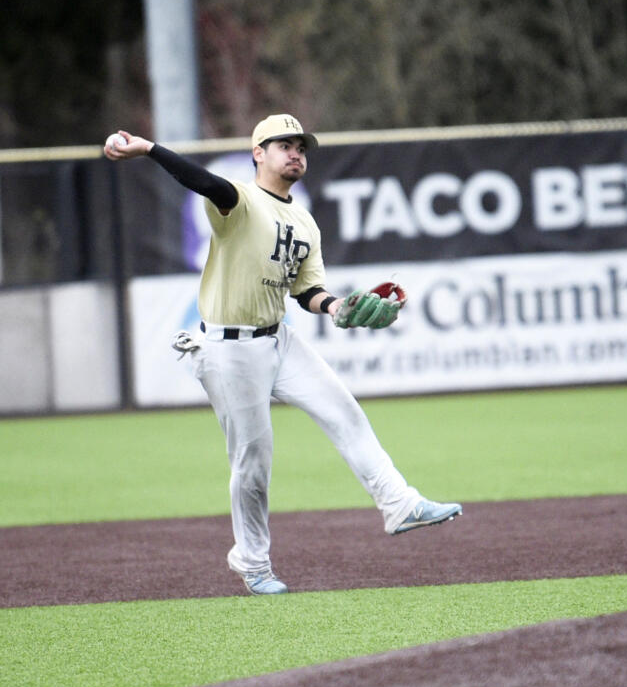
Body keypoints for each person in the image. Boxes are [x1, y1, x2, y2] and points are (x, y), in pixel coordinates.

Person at [104, 114, 462, 595]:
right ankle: (251, 562)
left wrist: (339, 308)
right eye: (284, 145)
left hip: (279, 338)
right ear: (259, 153)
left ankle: (399, 504)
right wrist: (149, 149)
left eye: (301, 146)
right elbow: (203, 181)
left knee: (345, 411)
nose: (296, 153)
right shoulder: (240, 202)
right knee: (254, 462)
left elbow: (307, 290)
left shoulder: (305, 222)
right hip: (229, 351)